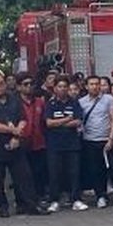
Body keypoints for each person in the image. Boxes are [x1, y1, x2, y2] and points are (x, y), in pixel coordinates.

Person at [0, 72, 45, 217]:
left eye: (1, 83)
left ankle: (29, 205)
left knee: (24, 176)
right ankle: (2, 207)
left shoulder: (14, 100)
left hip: (16, 144)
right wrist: (11, 130)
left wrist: (17, 133)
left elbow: (22, 118)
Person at [44, 76, 86, 211]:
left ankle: (76, 199)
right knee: (54, 173)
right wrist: (67, 119)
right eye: (59, 86)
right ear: (55, 88)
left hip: (72, 144)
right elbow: (49, 123)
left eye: (65, 86)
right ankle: (54, 200)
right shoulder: (50, 104)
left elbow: (78, 121)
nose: (62, 89)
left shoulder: (74, 103)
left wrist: (60, 123)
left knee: (74, 173)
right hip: (54, 145)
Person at [78, 76, 113, 209]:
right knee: (95, 169)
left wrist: (111, 138)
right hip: (89, 140)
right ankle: (100, 196)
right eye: (91, 84)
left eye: (97, 84)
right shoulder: (81, 102)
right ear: (86, 86)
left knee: (111, 168)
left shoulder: (109, 99)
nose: (94, 86)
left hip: (106, 139)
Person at [17, 76, 49, 205]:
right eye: (26, 84)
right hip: (22, 142)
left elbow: (44, 121)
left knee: (39, 172)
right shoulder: (14, 102)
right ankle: (22, 201)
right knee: (22, 174)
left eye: (32, 83)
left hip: (39, 142)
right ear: (19, 86)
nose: (29, 86)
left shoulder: (40, 102)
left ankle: (39, 198)